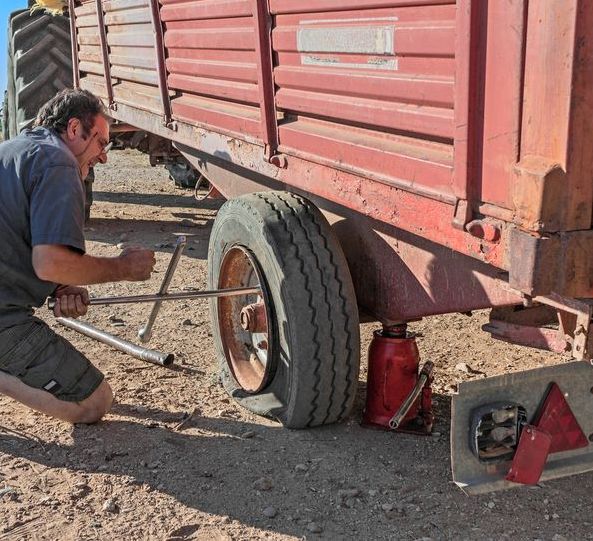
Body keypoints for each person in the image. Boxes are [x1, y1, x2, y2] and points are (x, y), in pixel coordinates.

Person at [0, 89, 156, 424]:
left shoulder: (13, 152)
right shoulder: (59, 161)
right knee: (94, 402)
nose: (104, 157)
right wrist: (125, 267)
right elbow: (51, 262)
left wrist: (60, 288)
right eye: (101, 142)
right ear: (74, 129)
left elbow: (16, 236)